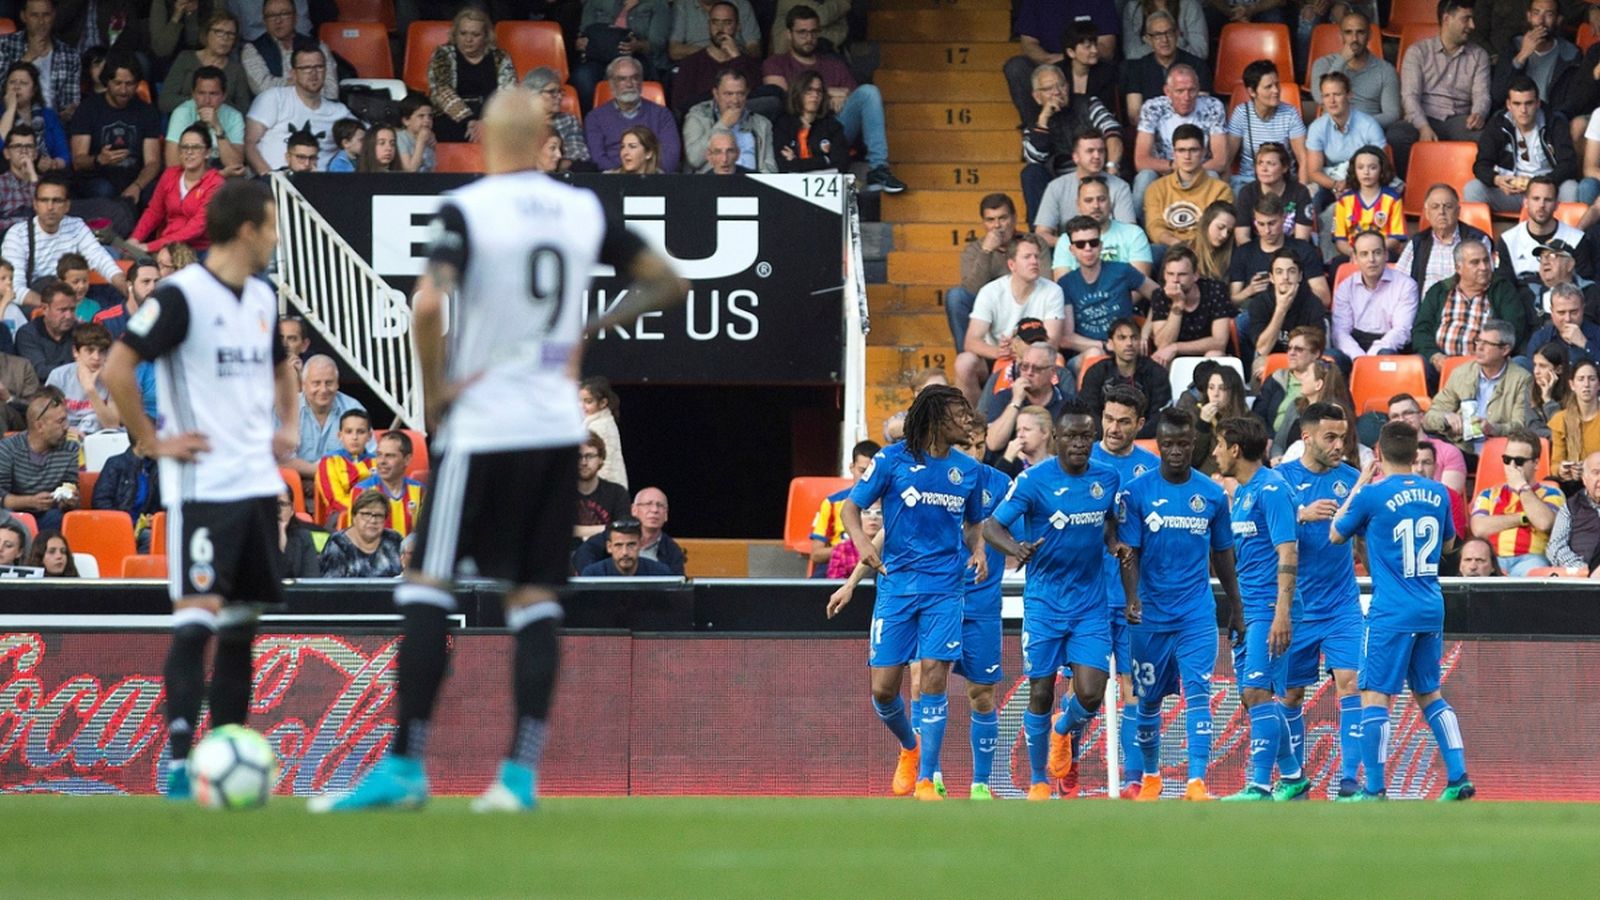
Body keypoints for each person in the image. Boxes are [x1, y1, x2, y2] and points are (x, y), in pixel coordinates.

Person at [313, 87, 686, 813]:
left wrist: (433, 397)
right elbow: (669, 282)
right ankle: (517, 777)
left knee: (425, 585)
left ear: (485, 136)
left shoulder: (469, 208)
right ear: (545, 138)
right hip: (550, 429)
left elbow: (426, 305)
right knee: (536, 603)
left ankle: (405, 766)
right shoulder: (582, 209)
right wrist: (594, 327)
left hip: (481, 426)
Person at [100, 178, 298, 799]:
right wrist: (152, 440)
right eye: (270, 225)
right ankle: (181, 765)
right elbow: (117, 368)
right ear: (247, 229)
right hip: (202, 486)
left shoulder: (262, 297)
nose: (275, 238)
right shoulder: (182, 296)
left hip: (257, 486)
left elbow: (279, 365)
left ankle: (229, 748)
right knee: (197, 621)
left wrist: (287, 426)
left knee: (242, 625)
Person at [824, 385, 987, 802]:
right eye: (959, 414)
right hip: (896, 587)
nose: (967, 421)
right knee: (883, 690)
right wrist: (862, 551)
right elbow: (849, 508)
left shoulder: (967, 470)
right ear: (935, 419)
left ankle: (927, 778)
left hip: (945, 588)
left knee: (933, 674)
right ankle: (910, 748)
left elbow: (972, 525)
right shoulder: (892, 460)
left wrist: (979, 549)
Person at [983, 399, 1124, 800]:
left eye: (1086, 436)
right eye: (1073, 436)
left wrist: (1115, 544)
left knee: (1092, 691)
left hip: (1090, 603)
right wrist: (1016, 547)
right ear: (1057, 438)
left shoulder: (1107, 479)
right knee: (1041, 690)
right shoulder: (1033, 481)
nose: (1080, 443)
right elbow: (992, 525)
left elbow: (1109, 519)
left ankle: (1065, 729)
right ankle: (1038, 781)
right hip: (1045, 603)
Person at [1331, 420, 1475, 801]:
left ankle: (1375, 788)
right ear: (1415, 455)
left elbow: (1335, 533)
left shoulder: (1371, 496)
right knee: (1430, 694)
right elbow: (1448, 547)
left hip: (1391, 610)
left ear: (1378, 452)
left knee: (1374, 696)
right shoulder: (1439, 492)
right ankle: (1459, 776)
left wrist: (1361, 482)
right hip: (1430, 606)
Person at [1119, 407, 1244, 801]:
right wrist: (1132, 597)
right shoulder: (1137, 493)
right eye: (1168, 444)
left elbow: (1223, 554)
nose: (1176, 451)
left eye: (1183, 444)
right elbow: (1130, 553)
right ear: (1158, 445)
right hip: (1151, 615)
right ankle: (1152, 777)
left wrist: (1236, 606)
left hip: (1196, 614)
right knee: (1148, 701)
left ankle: (1196, 781)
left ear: (1194, 443)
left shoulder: (1211, 494)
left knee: (1198, 692)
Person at [1210, 415, 1298, 802]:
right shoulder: (1244, 493)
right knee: (1251, 696)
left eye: (1218, 445)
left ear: (1234, 448)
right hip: (1247, 609)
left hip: (1266, 606)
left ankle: (1260, 785)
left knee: (1258, 692)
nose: (1213, 453)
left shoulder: (1271, 489)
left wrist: (1282, 612)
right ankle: (1293, 775)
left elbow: (1288, 550)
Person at [1085, 384, 1159, 795]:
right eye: (1109, 419)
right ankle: (1067, 766)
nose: (1114, 428)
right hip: (1086, 599)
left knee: (1136, 690)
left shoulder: (1151, 469)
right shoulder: (1080, 460)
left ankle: (1134, 780)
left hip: (1135, 598)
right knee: (1085, 690)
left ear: (1140, 424)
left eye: (1124, 421)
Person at [762, 6, 903, 191]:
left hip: (832, 132)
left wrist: (837, 99)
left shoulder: (834, 65)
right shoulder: (776, 62)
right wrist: (829, 95)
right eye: (802, 32)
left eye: (813, 32)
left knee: (869, 92)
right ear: (788, 33)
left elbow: (857, 102)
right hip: (795, 132)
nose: (808, 38)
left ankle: (879, 168)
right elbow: (783, 101)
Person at [1387, 0, 1490, 180]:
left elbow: (1482, 94)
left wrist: (1479, 113)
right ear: (1447, 18)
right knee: (1397, 135)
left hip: (1459, 119)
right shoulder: (1418, 52)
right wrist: (1423, 126)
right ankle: (1406, 186)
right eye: (1466, 19)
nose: (1472, 26)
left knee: (1485, 138)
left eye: (1472, 19)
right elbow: (1410, 96)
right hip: (1424, 116)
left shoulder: (1479, 55)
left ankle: (1468, 190)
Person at [953, 235, 1063, 406]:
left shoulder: (1053, 291)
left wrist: (1020, 348)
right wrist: (998, 352)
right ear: (1012, 265)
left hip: (1035, 354)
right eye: (1027, 257)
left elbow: (1053, 341)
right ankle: (973, 421)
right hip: (997, 355)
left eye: (1036, 256)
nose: (1034, 261)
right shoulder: (991, 291)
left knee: (1058, 360)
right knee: (964, 362)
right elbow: (971, 341)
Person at [1413, 242, 1536, 376]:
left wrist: (1488, 356)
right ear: (1458, 268)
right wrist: (1435, 356)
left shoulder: (1503, 290)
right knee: (1416, 366)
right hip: (1440, 367)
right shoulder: (1439, 291)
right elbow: (1420, 330)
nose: (1483, 267)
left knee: (1520, 364)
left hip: (1487, 366)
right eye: (1475, 263)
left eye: (1486, 260)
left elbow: (1512, 329)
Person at [1021, 68, 1123, 227]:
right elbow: (1034, 159)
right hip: (1059, 184)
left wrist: (1111, 167)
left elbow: (1112, 132)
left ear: (1068, 87)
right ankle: (1042, 240)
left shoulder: (1088, 104)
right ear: (1037, 97)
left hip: (1097, 174)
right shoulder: (1034, 124)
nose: (1056, 92)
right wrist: (1043, 121)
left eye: (1061, 85)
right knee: (1031, 173)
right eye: (1048, 89)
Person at [2, 172, 125, 304]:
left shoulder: (76, 226)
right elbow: (12, 288)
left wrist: (127, 288)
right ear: (35, 205)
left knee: (112, 290)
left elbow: (101, 260)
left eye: (57, 201)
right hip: (37, 302)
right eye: (44, 200)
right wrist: (53, 307)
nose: (50, 207)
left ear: (67, 206)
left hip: (74, 294)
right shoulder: (17, 234)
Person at [1467, 77, 1581, 213]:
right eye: (1517, 104)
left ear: (1538, 103)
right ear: (1508, 105)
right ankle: (1477, 235)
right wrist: (1496, 179)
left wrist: (1543, 182)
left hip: (1547, 192)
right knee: (1473, 188)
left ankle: (1563, 234)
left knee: (1570, 188)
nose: (1523, 110)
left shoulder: (1554, 121)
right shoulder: (1498, 123)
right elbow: (1481, 165)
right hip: (1512, 191)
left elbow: (1568, 164)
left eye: (1529, 103)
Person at [1057, 215, 1161, 362]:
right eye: (1080, 244)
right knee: (1095, 353)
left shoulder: (1122, 270)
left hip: (1127, 350)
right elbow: (1066, 339)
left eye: (1093, 243)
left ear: (1100, 245)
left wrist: (1146, 331)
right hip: (1087, 356)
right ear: (1072, 249)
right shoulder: (1065, 283)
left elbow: (1160, 296)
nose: (1088, 248)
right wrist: (1105, 346)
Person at [1425, 318, 1535, 454]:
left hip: (1500, 452)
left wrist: (1493, 429)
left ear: (1505, 349)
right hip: (1462, 449)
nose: (1479, 348)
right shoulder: (1461, 373)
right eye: (1478, 341)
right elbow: (1429, 417)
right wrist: (1446, 417)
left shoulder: (1522, 379)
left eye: (1488, 344)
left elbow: (1522, 426)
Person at [67, 51, 160, 210]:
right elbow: (78, 161)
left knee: (153, 193)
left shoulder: (147, 111)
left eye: (129, 84)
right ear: (107, 82)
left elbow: (153, 162)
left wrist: (137, 186)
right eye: (118, 83)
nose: (124, 90)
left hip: (135, 178)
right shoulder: (88, 109)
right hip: (97, 179)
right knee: (104, 190)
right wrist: (98, 159)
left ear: (138, 84)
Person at [1002, 0, 1118, 126]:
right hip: (1048, 63)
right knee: (1016, 67)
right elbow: (1028, 44)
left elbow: (1106, 48)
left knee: (1104, 68)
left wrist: (1076, 57)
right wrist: (1051, 60)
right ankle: (1037, 129)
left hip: (1085, 64)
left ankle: (1093, 127)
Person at [1130, 64, 1227, 211]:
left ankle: (1209, 230)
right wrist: (1175, 167)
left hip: (1200, 170)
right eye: (1180, 91)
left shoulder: (1213, 106)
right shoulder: (1153, 107)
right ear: (1167, 91)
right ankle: (1137, 229)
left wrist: (1189, 171)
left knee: (1212, 175)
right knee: (1144, 177)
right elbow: (1141, 161)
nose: (1186, 97)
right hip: (1163, 172)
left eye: (1192, 90)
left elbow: (1220, 161)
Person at [1472, 426, 1564, 576]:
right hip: (1493, 559)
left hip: (1531, 560)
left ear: (1535, 463)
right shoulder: (1488, 493)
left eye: (1519, 461)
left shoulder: (1552, 493)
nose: (1512, 467)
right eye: (1507, 460)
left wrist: (1522, 487)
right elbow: (1479, 528)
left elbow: (1544, 522)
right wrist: (1524, 518)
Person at [243, 44, 349, 174]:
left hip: (319, 187)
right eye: (305, 68)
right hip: (272, 183)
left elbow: (367, 143)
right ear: (293, 73)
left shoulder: (340, 112)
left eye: (319, 67)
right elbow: (250, 143)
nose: (313, 73)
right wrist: (269, 178)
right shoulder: (273, 98)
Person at [124, 124, 224, 256]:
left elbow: (197, 227)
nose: (189, 152)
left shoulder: (215, 183)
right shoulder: (170, 175)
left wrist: (150, 246)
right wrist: (135, 239)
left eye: (196, 147)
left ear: (208, 153)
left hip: (200, 250)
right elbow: (154, 212)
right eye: (184, 147)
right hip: (166, 248)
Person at [427, 6, 516, 144]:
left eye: (475, 35)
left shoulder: (500, 57)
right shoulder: (443, 54)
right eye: (463, 33)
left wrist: (486, 122)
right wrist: (470, 122)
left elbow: (508, 93)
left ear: (486, 36)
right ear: (455, 34)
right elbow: (442, 91)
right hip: (453, 116)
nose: (468, 39)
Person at [1229, 193, 1329, 311]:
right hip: (1256, 316)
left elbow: (1324, 298)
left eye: (1272, 223)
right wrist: (1249, 291)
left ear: (1284, 218)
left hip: (1296, 313)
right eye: (1261, 224)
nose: (1267, 231)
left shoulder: (1303, 250)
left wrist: (1292, 292)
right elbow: (1232, 302)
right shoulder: (1243, 253)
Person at [1034, 129, 1135, 245]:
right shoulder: (1056, 187)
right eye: (1090, 151)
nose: (1097, 156)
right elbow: (1041, 234)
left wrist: (1096, 248)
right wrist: (1077, 246)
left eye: (1101, 151)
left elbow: (1129, 233)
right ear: (1075, 157)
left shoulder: (1120, 187)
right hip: (1068, 253)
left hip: (1112, 252)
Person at [1143, 124, 1233, 252]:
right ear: (1174, 153)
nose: (1187, 156)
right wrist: (1177, 243)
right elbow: (1154, 227)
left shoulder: (1221, 190)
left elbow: (1217, 230)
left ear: (1203, 152)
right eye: (1181, 150)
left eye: (1193, 150)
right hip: (1169, 248)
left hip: (1205, 250)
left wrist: (1193, 248)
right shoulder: (1156, 188)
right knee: (1151, 252)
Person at [570, 0, 670, 114]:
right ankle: (590, 119)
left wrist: (637, 45)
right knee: (582, 76)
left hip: (637, 57)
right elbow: (584, 32)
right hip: (598, 57)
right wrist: (581, 43)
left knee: (625, 75)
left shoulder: (657, 4)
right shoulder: (595, 2)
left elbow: (658, 43)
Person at [1332, 229, 1419, 359]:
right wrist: (1358, 357)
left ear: (1386, 255)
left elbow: (1402, 330)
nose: (1371, 259)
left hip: (1389, 346)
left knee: (1386, 356)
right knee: (1332, 357)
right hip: (1355, 344)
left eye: (1377, 253)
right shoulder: (1345, 287)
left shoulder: (1406, 285)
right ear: (1355, 258)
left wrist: (1372, 356)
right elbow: (1340, 331)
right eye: (1364, 254)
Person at [583, 56, 681, 173]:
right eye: (622, 79)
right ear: (611, 84)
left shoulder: (662, 114)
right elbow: (597, 158)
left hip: (654, 179)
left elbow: (671, 156)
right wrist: (625, 173)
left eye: (634, 78)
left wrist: (645, 173)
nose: (629, 84)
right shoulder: (595, 118)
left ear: (641, 81)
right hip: (612, 180)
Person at [0, 387, 79, 531]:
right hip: (14, 515)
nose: (66, 427)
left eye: (66, 420)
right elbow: (1, 497)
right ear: (40, 426)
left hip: (49, 515)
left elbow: (70, 485)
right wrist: (30, 501)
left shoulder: (70, 449)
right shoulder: (8, 448)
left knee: (61, 518)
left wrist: (68, 500)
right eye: (60, 422)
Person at [946, 194, 1018, 351]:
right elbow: (972, 290)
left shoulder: (1032, 243)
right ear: (983, 223)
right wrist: (986, 251)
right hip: (987, 308)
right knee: (956, 296)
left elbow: (1044, 280)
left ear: (1014, 219)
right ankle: (968, 356)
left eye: (1003, 218)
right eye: (990, 220)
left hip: (1024, 302)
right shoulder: (974, 250)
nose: (997, 225)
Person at [1395, 184, 1493, 298]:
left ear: (1458, 211)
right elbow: (1399, 283)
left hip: (1463, 309)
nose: (1441, 211)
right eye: (1435, 207)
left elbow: (1486, 281)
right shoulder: (1417, 242)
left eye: (1448, 206)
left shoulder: (1478, 241)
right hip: (1425, 312)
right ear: (1427, 213)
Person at [1225, 60, 1308, 195]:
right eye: (1268, 87)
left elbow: (1303, 159)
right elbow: (1227, 158)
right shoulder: (1241, 113)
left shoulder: (1290, 113)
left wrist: (1302, 194)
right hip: (1249, 181)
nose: (1275, 90)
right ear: (1252, 91)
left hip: (1283, 182)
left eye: (1276, 84)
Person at [1309, 11, 1401, 129]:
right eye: (1348, 32)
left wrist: (1359, 124)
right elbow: (1319, 97)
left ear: (1369, 35)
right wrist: (1342, 60)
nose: (1354, 39)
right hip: (1333, 128)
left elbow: (1392, 113)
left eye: (1360, 32)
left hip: (1368, 131)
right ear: (1341, 36)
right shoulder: (1323, 64)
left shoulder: (1385, 70)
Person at [670, 2, 761, 121]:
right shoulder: (691, 63)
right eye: (715, 22)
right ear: (709, 25)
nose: (720, 29)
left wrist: (736, 58)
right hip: (702, 124)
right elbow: (679, 105)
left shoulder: (747, 62)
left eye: (727, 23)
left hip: (742, 121)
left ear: (738, 26)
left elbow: (757, 98)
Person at [1248, 250, 1330, 379]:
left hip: (1305, 360)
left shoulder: (1313, 303)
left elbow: (1316, 347)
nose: (1285, 277)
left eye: (1291, 271)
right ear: (1271, 277)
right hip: (1271, 357)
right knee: (1259, 365)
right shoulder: (1260, 303)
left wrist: (1287, 366)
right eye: (1279, 272)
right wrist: (1281, 309)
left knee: (1331, 360)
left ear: (1300, 276)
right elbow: (1263, 349)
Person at [1497, 176, 1596, 284]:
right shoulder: (1508, 240)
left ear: (1556, 205)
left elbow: (1586, 285)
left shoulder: (1576, 239)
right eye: (1536, 199)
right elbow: (1505, 286)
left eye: (1548, 200)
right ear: (1525, 202)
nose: (1541, 205)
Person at [1147, 244, 1232, 367]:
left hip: (1206, 355)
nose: (1175, 280)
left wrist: (1176, 347)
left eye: (1182, 274)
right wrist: (1178, 304)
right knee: (1160, 358)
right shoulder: (1160, 295)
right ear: (1165, 275)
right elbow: (1162, 344)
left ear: (1195, 275)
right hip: (1173, 358)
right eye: (1170, 274)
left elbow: (1220, 341)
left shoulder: (1215, 290)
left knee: (1214, 354)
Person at [285, 354, 366, 483]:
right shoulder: (287, 410)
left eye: (329, 383)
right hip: (295, 487)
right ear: (304, 385)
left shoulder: (353, 409)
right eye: (316, 383)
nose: (323, 390)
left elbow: (366, 459)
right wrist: (319, 473)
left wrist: (322, 478)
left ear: (338, 384)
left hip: (343, 485)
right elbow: (280, 460)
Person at [1081, 317, 1170, 434]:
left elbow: (1160, 415)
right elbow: (1089, 411)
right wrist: (1110, 434)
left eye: (1134, 338)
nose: (1129, 343)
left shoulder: (1156, 372)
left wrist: (1131, 436)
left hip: (1144, 439)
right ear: (1110, 344)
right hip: (1105, 438)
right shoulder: (1096, 372)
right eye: (1122, 338)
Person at [1123, 11, 1211, 126]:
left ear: (1177, 34)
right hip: (1152, 131)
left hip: (1189, 130)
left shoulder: (1197, 65)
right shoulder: (1137, 68)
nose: (1164, 40)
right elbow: (1134, 115)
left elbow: (1202, 110)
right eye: (1157, 35)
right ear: (1148, 39)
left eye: (1169, 33)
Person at [1489, 0, 1581, 108]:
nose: (1541, 21)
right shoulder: (1512, 46)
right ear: (1529, 16)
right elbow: (1498, 95)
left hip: (1551, 119)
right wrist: (1521, 56)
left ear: (1558, 20)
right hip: (1514, 117)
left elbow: (1573, 101)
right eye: (1536, 13)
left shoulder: (1570, 54)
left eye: (1549, 14)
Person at [161, 10, 252, 116]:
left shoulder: (236, 70)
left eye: (230, 34)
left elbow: (244, 110)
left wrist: (218, 104)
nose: (225, 38)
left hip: (222, 124)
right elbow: (165, 101)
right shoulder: (186, 58)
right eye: (219, 31)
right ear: (207, 33)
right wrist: (202, 101)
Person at [807, 439, 878, 574]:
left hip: (876, 564)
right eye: (862, 471)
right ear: (851, 468)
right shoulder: (832, 503)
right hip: (838, 564)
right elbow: (816, 554)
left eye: (872, 472)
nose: (867, 477)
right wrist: (846, 551)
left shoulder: (890, 502)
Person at [683, 69, 774, 174]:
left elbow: (769, 167)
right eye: (728, 94)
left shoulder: (761, 123)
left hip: (751, 186)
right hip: (711, 184)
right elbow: (694, 160)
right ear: (716, 93)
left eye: (740, 94)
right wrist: (722, 124)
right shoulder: (698, 117)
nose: (735, 100)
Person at [0, 0, 80, 117]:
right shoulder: (5, 45)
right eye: (34, 15)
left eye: (46, 15)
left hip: (52, 123)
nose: (41, 21)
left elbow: (70, 101)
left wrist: (69, 111)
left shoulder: (69, 55)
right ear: (23, 16)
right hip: (10, 119)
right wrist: (29, 56)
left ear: (53, 15)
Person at [162, 67, 247, 177]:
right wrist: (216, 176)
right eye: (201, 93)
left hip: (222, 175)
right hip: (189, 177)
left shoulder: (234, 116)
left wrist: (217, 127)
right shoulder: (182, 113)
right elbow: (172, 164)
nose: (207, 100)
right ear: (193, 94)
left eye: (213, 94)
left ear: (223, 96)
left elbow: (236, 165)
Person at [44, 321, 118, 436]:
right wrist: (67, 431)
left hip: (101, 436)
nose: (96, 357)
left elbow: (112, 425)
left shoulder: (112, 378)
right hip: (65, 434)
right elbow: (46, 418)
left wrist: (90, 390)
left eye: (102, 351)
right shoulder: (59, 376)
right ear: (75, 352)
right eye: (90, 350)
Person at [1330, 146, 1405, 259]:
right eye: (1360, 167)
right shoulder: (1344, 201)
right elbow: (1340, 239)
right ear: (1354, 170)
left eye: (1373, 167)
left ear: (1381, 170)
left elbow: (1396, 237)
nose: (1366, 172)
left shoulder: (1393, 199)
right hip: (1353, 252)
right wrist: (1354, 253)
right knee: (1336, 264)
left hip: (1383, 251)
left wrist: (1375, 252)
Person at [772, 69, 847, 174]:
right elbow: (783, 165)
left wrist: (797, 161)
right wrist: (825, 160)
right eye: (809, 90)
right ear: (798, 92)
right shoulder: (783, 125)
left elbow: (841, 164)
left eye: (819, 91)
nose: (815, 95)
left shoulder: (832, 126)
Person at [319, 489, 405, 578]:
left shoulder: (394, 539)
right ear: (354, 517)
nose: (373, 520)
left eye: (379, 516)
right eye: (366, 514)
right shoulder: (338, 543)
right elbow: (331, 587)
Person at [93, 440, 160, 551]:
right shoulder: (115, 464)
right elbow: (100, 502)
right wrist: (126, 523)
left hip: (144, 528)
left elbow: (161, 505)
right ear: (141, 443)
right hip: (116, 527)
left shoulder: (156, 468)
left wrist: (154, 518)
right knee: (150, 538)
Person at [0, 63, 68, 170]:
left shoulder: (48, 115)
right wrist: (10, 110)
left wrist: (53, 164)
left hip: (46, 174)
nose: (16, 87)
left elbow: (64, 154)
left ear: (34, 90)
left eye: (23, 83)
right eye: (12, 82)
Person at [315, 408, 374, 530]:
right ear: (340, 436)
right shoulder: (329, 461)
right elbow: (335, 500)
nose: (354, 437)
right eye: (348, 432)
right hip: (340, 517)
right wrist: (364, 512)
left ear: (369, 436)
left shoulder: (377, 462)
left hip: (375, 515)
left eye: (361, 432)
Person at [1545, 450, 1600, 572]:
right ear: (1584, 479)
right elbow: (1555, 547)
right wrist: (1581, 568)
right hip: (1581, 579)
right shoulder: (1570, 507)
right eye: (1596, 473)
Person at [12, 278, 76, 381]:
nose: (68, 316)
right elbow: (39, 371)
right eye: (62, 310)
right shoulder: (28, 334)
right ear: (45, 309)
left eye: (72, 309)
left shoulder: (81, 331)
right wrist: (78, 371)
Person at [1525, 282, 1600, 366]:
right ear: (1552, 312)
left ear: (1583, 309)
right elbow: (1533, 372)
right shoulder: (1540, 339)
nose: (1568, 319)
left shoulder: (1597, 334)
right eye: (1561, 313)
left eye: (1574, 312)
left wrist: (1585, 344)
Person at [573, 431, 630, 542]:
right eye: (578, 456)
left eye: (590, 456)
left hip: (605, 556)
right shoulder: (560, 493)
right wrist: (606, 528)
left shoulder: (617, 493)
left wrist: (576, 530)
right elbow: (552, 529)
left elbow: (623, 530)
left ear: (601, 459)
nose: (584, 462)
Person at [1551, 360, 1600, 483]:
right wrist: (1563, 469)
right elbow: (1555, 465)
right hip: (1574, 483)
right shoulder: (1561, 420)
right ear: (1572, 385)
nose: (1586, 384)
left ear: (1599, 384)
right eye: (1581, 379)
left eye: (1592, 379)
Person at [579, 517, 673, 577]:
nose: (625, 552)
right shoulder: (593, 575)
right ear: (609, 547)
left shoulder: (660, 573)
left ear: (640, 544)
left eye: (631, 545)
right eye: (618, 545)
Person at [669, 0, 761, 61]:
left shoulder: (741, 4)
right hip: (697, 64)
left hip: (735, 62)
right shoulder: (683, 4)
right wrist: (712, 53)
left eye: (727, 22)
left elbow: (754, 48)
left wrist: (737, 57)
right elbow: (674, 51)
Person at [579, 375, 626, 489]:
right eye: (579, 401)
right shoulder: (601, 422)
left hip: (602, 490)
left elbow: (602, 466)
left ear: (603, 403)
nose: (582, 406)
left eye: (588, 401)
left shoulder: (599, 426)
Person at [274, 486, 320, 578]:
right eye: (272, 505)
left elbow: (311, 584)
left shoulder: (303, 538)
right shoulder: (252, 538)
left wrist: (283, 550)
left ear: (292, 510)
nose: (277, 510)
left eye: (282, 504)